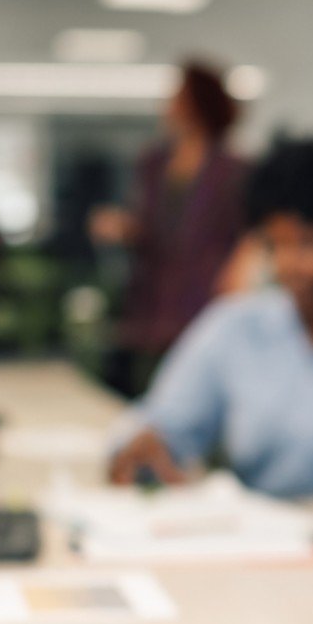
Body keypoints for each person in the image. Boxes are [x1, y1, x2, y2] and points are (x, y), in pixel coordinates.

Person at [107, 133, 313, 499]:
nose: (288, 264)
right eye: (275, 244)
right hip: (249, 538)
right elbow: (166, 419)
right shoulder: (233, 330)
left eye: (309, 244)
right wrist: (143, 443)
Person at [92, 59, 249, 397]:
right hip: (154, 299)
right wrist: (123, 228)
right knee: (150, 389)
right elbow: (149, 227)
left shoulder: (233, 168)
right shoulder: (154, 163)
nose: (170, 104)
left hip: (205, 295)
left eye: (179, 94)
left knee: (201, 388)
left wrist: (238, 267)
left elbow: (248, 231)